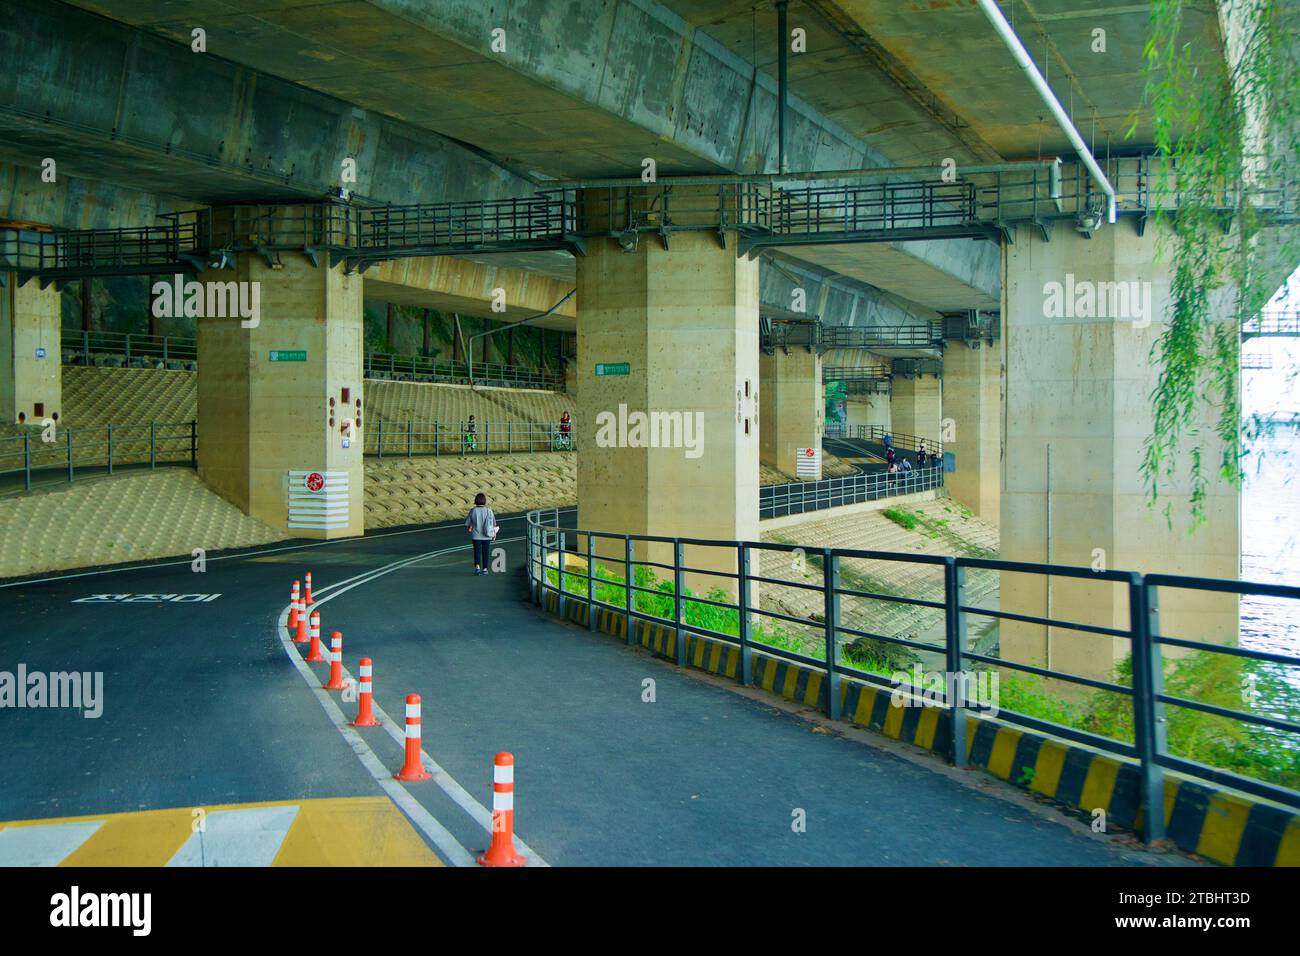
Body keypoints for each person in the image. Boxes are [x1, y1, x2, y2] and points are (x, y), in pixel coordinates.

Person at [466, 492, 498, 575]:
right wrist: (494, 533)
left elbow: (468, 523)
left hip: (476, 535)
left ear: (476, 500)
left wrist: (470, 527)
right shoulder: (489, 510)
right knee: (485, 552)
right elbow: (493, 523)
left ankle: (477, 567)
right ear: (484, 501)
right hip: (486, 535)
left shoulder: (473, 510)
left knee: (477, 551)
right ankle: (485, 569)